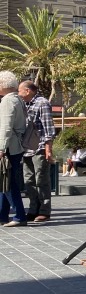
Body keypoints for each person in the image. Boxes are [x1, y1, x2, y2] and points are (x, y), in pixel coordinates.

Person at [18, 81, 55, 222]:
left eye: (20, 90)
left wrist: (48, 148)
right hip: (25, 148)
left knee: (41, 179)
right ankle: (33, 209)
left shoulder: (42, 103)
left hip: (39, 147)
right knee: (29, 181)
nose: (18, 93)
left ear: (27, 91)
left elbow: (48, 127)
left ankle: (45, 211)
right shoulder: (24, 104)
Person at [0, 72, 29, 227]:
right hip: (15, 146)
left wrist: (1, 148)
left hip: (9, 147)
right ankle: (3, 215)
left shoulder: (7, 101)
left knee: (8, 182)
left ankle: (19, 215)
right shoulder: (18, 100)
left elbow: (5, 126)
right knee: (4, 182)